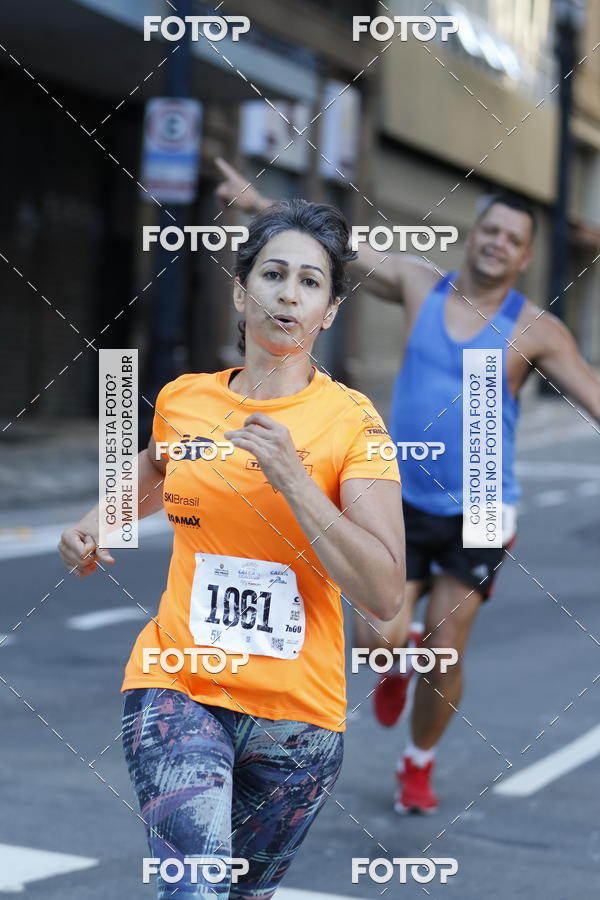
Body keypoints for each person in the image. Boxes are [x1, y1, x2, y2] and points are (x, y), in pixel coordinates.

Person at [215, 159, 600, 814]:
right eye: (491, 231)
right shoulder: (419, 285)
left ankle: (418, 762)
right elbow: (329, 246)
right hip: (397, 493)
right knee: (376, 641)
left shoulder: (535, 328)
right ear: (473, 234)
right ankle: (397, 661)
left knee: (447, 648)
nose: (498, 243)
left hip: (480, 500)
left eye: (513, 238)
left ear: (526, 254)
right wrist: (259, 206)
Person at [58, 198, 405, 898]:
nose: (289, 293)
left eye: (311, 282)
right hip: (179, 682)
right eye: (274, 274)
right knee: (195, 890)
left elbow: (384, 590)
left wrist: (296, 483)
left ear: (329, 311)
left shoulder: (353, 424)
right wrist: (96, 523)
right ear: (241, 292)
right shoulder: (187, 398)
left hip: (298, 721)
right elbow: (158, 463)